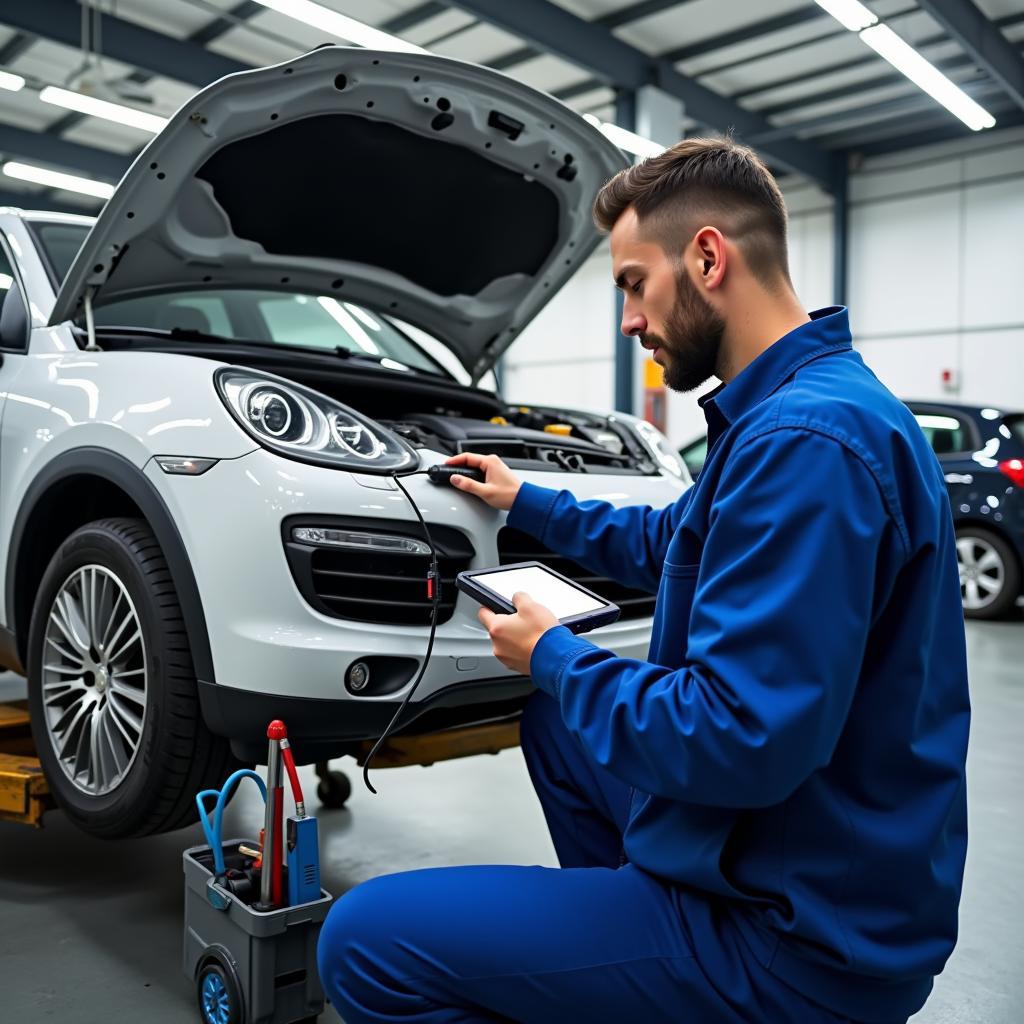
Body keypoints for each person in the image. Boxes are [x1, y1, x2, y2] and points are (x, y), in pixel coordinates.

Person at [317, 137, 970, 1024]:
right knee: (559, 725)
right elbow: (676, 541)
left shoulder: (804, 445)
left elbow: (737, 736)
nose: (628, 318)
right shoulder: (809, 406)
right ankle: (624, 967)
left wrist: (553, 653)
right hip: (823, 861)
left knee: (364, 942)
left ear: (707, 257)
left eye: (632, 282)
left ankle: (665, 965)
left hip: (792, 942)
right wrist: (525, 500)